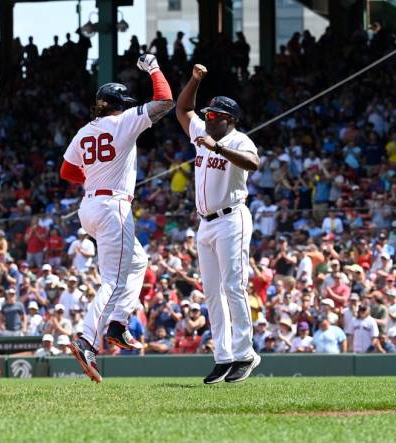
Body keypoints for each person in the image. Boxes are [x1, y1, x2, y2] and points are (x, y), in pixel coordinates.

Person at [60, 54, 174, 383]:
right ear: (114, 104)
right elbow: (164, 101)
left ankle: (117, 325)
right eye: (122, 103)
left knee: (138, 262)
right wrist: (153, 68)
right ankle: (86, 340)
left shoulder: (84, 131)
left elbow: (66, 170)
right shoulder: (122, 122)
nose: (126, 107)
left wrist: (95, 177)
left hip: (91, 207)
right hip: (113, 208)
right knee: (112, 280)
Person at [176, 63, 261, 384]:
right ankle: (223, 356)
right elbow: (183, 108)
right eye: (208, 115)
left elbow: (253, 163)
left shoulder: (238, 140)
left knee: (233, 286)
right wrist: (195, 80)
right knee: (212, 291)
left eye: (215, 116)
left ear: (230, 120)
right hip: (205, 223)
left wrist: (220, 148)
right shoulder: (201, 132)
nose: (208, 119)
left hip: (231, 218)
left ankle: (245, 354)